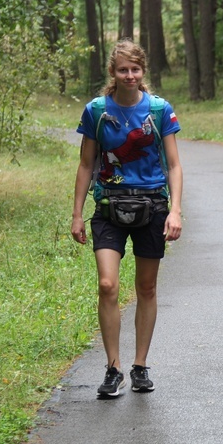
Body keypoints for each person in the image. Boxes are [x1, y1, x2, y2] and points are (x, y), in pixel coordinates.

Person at [71, 39, 183, 398]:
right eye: (123, 70)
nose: (130, 75)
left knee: (146, 288)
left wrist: (176, 209)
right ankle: (112, 368)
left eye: (135, 69)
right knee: (107, 285)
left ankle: (140, 365)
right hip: (108, 207)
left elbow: (175, 165)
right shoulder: (96, 111)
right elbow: (87, 164)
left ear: (142, 71)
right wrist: (76, 214)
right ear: (113, 72)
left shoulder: (160, 109)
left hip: (152, 205)